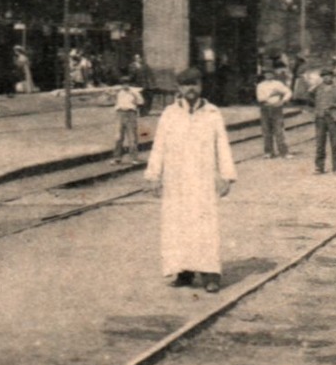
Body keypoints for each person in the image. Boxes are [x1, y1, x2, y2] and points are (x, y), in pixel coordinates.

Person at [144, 67, 236, 293]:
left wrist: (226, 176)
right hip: (176, 180)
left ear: (201, 86)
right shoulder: (169, 113)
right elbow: (159, 147)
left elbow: (222, 145)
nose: (190, 89)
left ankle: (210, 274)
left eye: (194, 84)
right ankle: (183, 272)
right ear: (179, 88)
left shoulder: (213, 113)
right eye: (186, 85)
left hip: (203, 179)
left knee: (205, 225)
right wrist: (154, 175)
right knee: (177, 225)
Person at [311, 68, 336, 174]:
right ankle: (319, 167)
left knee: (335, 143)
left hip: (333, 118)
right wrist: (316, 109)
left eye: (329, 76)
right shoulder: (317, 89)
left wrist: (334, 105)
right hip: (320, 118)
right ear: (322, 78)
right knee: (320, 143)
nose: (327, 78)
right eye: (324, 76)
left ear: (332, 77)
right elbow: (307, 97)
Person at [254, 68, 292, 159]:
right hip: (265, 108)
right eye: (267, 74)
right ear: (264, 75)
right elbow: (260, 98)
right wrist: (272, 94)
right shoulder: (260, 85)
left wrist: (283, 100)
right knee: (266, 130)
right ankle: (268, 152)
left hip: (277, 108)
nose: (268, 76)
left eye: (270, 73)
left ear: (273, 75)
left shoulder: (278, 84)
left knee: (279, 130)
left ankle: (284, 152)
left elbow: (288, 92)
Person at [112, 79, 145, 163]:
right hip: (120, 113)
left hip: (130, 113)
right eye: (123, 84)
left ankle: (134, 158)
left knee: (132, 137)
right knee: (118, 136)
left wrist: (135, 100)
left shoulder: (134, 92)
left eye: (126, 84)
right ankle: (117, 157)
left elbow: (141, 102)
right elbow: (114, 102)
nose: (125, 86)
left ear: (129, 84)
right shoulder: (119, 93)